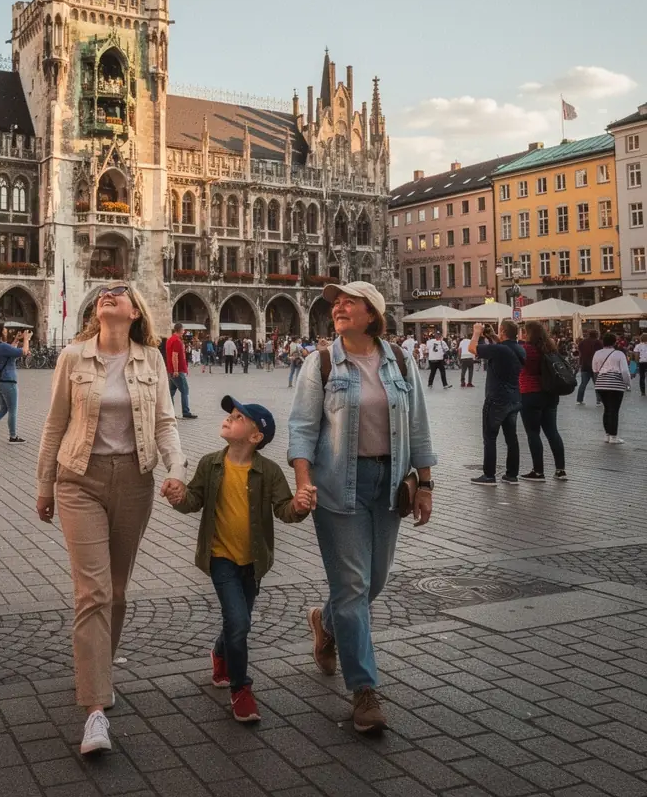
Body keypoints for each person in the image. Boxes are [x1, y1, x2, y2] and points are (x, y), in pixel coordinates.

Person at [35, 283, 187, 755]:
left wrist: (176, 469)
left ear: (135, 311)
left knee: (116, 591)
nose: (108, 294)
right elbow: (54, 423)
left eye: (119, 292)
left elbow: (164, 422)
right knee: (94, 592)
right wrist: (44, 485)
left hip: (134, 482)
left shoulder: (151, 359)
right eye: (103, 292)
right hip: (79, 478)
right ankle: (95, 708)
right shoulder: (73, 357)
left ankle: (98, 669)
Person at [289, 282, 435, 734]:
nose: (338, 307)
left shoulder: (401, 361)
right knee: (352, 586)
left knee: (373, 582)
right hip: (337, 486)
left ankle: (325, 623)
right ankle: (364, 689)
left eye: (348, 302)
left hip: (389, 485)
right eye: (335, 303)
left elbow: (418, 426)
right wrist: (303, 481)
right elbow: (301, 428)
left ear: (372, 313)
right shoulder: (322, 363)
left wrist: (426, 483)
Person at [166, 396, 310, 723]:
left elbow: (284, 509)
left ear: (256, 436)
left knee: (237, 620)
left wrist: (299, 506)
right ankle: (241, 688)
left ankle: (220, 654)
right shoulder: (210, 464)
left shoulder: (269, 472)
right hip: (220, 558)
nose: (229, 419)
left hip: (254, 563)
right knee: (240, 622)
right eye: (230, 415)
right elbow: (193, 500)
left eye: (238, 417)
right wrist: (178, 496)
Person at [469, 321, 525, 485]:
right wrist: (493, 335)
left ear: (503, 331)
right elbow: (504, 346)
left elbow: (472, 348)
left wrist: (476, 332)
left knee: (490, 437)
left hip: (496, 399)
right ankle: (512, 475)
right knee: (511, 438)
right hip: (514, 398)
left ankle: (489, 475)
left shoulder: (499, 350)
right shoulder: (519, 348)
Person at [518, 322, 567, 481]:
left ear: (528, 333)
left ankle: (538, 471)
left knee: (533, 433)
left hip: (530, 393)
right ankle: (560, 470)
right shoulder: (550, 348)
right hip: (550, 393)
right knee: (552, 432)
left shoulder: (526, 349)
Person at [0, 324, 31, 444]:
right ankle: (13, 436)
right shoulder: (2, 346)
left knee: (3, 408)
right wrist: (26, 339)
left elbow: (10, 352)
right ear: (1, 333)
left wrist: (16, 340)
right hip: (8, 381)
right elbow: (24, 352)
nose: (7, 332)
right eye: (5, 331)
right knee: (12, 410)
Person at [593, 332, 632, 444]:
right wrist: (628, 383)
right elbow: (625, 371)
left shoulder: (597, 353)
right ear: (615, 342)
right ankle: (614, 437)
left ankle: (607, 435)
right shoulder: (619, 354)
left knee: (607, 409)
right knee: (614, 410)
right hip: (615, 384)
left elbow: (595, 369)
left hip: (601, 383)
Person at [166, 323, 197, 419]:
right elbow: (175, 356)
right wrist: (176, 370)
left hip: (171, 370)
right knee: (185, 390)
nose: (184, 331)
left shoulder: (170, 340)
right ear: (180, 330)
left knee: (171, 392)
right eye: (183, 330)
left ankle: (170, 412)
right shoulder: (177, 341)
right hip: (178, 371)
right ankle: (186, 411)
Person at [576, 330, 603, 405]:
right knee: (597, 384)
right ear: (596, 335)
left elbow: (580, 353)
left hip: (584, 365)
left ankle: (579, 400)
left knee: (583, 384)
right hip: (595, 366)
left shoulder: (582, 342)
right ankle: (599, 400)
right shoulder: (598, 343)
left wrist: (580, 363)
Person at [634, 333, 647, 397]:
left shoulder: (638, 346)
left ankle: (643, 392)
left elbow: (636, 355)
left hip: (642, 362)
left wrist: (637, 362)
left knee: (642, 377)